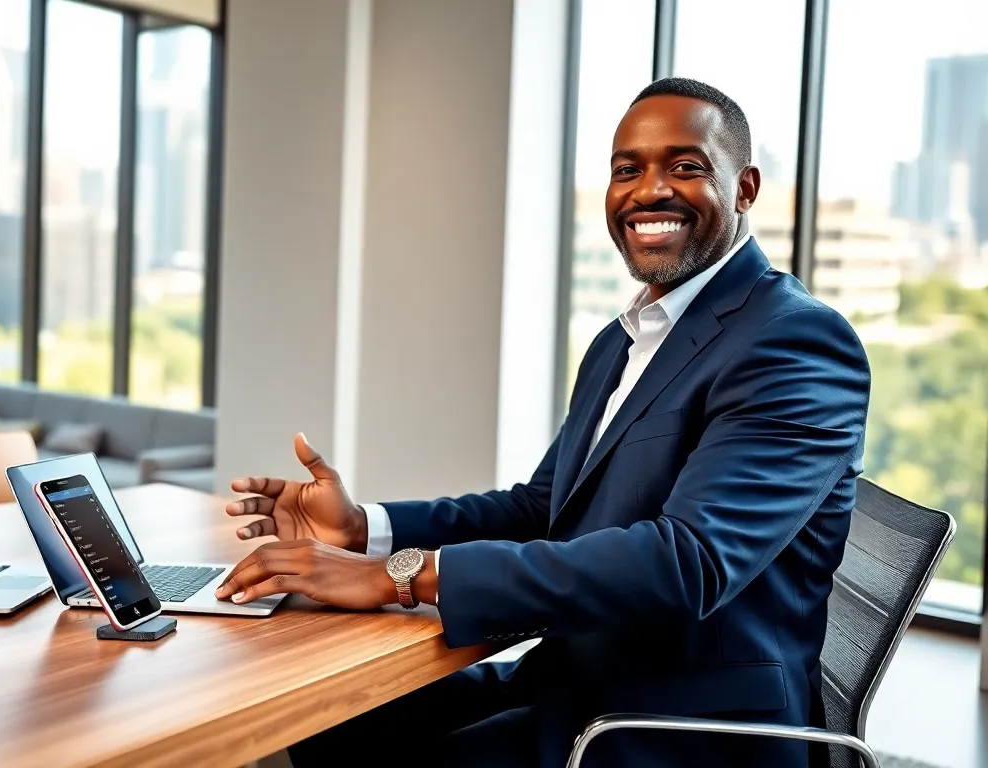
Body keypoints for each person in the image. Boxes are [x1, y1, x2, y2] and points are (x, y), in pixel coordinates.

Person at [214, 77, 870, 767]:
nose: (649, 191)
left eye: (685, 166)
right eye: (628, 170)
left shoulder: (793, 342)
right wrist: (367, 530)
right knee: (329, 724)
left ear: (745, 189)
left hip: (679, 723)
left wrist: (401, 576)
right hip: (579, 678)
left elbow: (689, 563)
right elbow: (541, 507)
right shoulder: (625, 340)